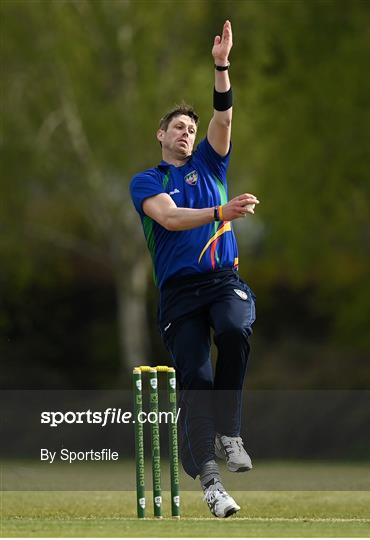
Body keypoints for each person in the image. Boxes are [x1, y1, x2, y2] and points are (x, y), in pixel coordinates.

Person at [129, 20, 259, 518]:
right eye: (178, 127)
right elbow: (169, 218)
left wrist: (221, 67)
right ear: (160, 134)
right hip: (180, 293)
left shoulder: (211, 164)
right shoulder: (148, 180)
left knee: (233, 327)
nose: (187, 133)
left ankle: (230, 433)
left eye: (191, 127)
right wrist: (218, 214)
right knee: (196, 380)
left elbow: (224, 119)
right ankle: (210, 483)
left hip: (223, 281)